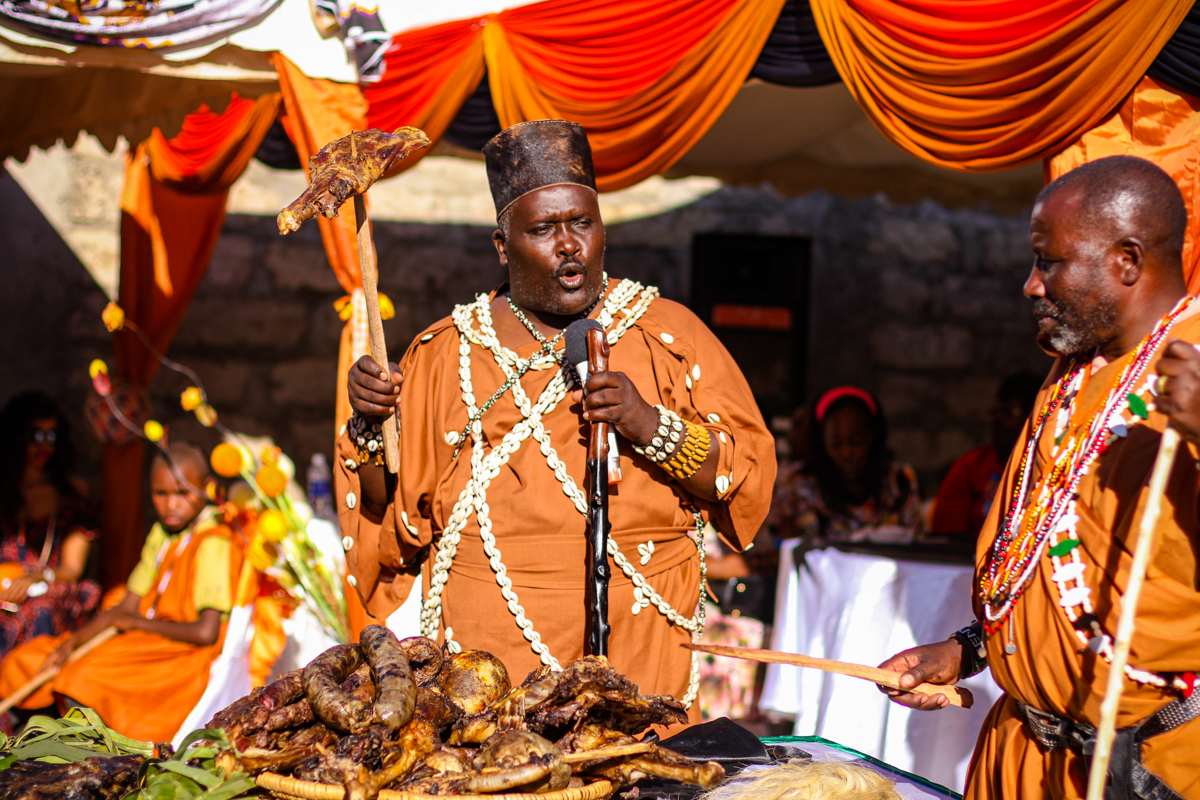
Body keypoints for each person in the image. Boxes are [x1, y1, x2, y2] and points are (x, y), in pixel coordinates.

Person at [337, 119, 775, 717]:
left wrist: (648, 425)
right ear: (503, 245)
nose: (569, 244)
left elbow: (744, 479)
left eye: (582, 223)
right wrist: (369, 423)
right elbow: (388, 513)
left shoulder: (668, 335)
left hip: (644, 647)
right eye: (544, 229)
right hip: (492, 658)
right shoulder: (445, 353)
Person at [877, 156, 1200, 799]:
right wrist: (968, 650)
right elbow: (1040, 550)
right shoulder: (1075, 366)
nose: (1030, 285)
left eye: (1048, 261)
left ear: (1126, 261)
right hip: (1018, 754)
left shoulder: (1194, 369)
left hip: (1141, 769)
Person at [0, 442, 244, 743]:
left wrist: (138, 624)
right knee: (29, 659)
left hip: (179, 653)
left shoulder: (213, 542)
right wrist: (72, 644)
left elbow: (206, 632)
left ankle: (75, 750)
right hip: (142, 638)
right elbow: (127, 607)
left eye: (182, 493)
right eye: (161, 494)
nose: (170, 505)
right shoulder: (163, 534)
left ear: (207, 488)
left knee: (83, 678)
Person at [0, 392, 100, 657]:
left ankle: (32, 696)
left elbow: (72, 568)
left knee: (40, 609)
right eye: (34, 436)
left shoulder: (73, 496)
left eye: (52, 436)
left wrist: (38, 576)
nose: (45, 446)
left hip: (47, 589)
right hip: (3, 591)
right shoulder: (3, 491)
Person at [770, 387, 919, 544]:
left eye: (856, 443)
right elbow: (780, 544)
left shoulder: (898, 479)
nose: (847, 454)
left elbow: (916, 539)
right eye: (836, 445)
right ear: (823, 442)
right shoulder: (798, 485)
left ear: (872, 436)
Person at [929, 371, 1043, 538]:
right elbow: (947, 537)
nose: (998, 420)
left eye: (1010, 413)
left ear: (1036, 419)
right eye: (995, 412)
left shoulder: (1053, 469)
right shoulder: (971, 467)